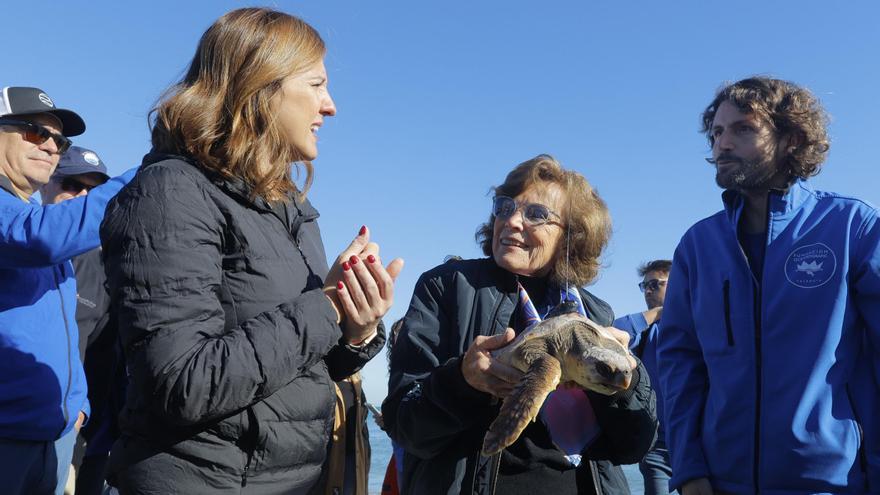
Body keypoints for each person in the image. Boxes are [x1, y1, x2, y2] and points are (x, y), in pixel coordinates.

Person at [100, 8, 402, 494]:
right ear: (260, 85)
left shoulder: (291, 209)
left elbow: (298, 372)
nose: (331, 106)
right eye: (317, 84)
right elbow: (181, 383)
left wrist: (355, 327)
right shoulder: (170, 192)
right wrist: (324, 307)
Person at [383, 154, 657, 494]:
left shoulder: (596, 314)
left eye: (536, 214)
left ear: (572, 234)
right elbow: (404, 425)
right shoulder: (448, 287)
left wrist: (627, 383)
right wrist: (462, 382)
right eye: (504, 207)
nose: (512, 221)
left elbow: (633, 446)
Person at [658, 76, 880, 494]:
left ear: (791, 139)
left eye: (743, 128)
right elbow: (680, 368)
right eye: (717, 132)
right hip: (722, 484)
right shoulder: (697, 246)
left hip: (833, 484)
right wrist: (688, 471)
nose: (722, 144)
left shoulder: (852, 227)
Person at [0, 87, 135, 495]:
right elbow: (37, 238)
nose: (51, 146)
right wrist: (155, 167)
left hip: (53, 440)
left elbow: (71, 337)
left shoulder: (35, 217)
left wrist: (78, 406)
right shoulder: (34, 228)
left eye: (60, 140)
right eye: (34, 131)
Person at [39, 146, 126, 495]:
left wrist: (82, 411)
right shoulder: (17, 241)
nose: (83, 196)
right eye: (73, 184)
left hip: (77, 432)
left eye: (92, 189)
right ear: (47, 181)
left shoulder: (107, 264)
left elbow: (103, 352)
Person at [613, 260, 673, 495]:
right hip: (657, 445)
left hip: (701, 441)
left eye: (655, 284)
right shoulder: (646, 331)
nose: (648, 290)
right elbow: (613, 331)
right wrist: (657, 313)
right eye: (644, 285)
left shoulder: (700, 323)